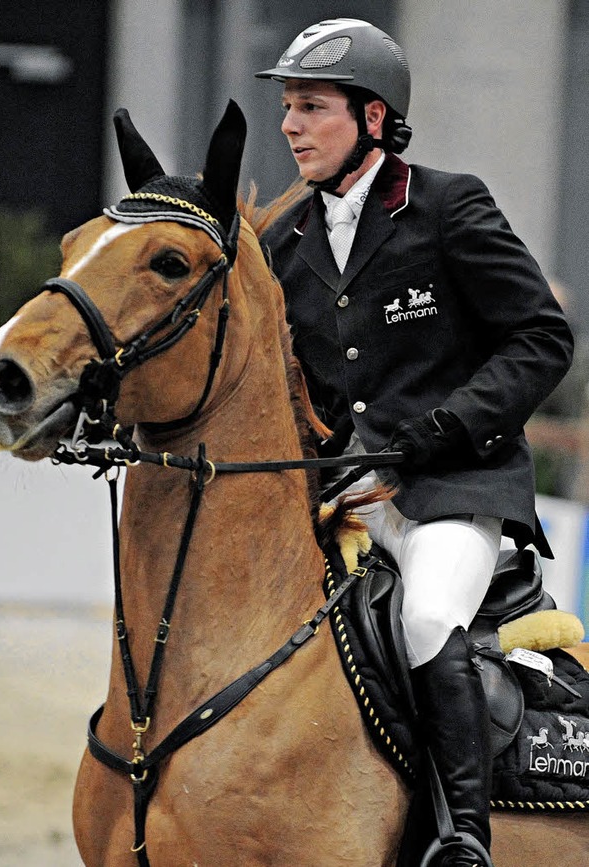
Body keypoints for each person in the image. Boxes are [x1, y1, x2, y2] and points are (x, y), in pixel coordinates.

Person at [256, 17, 574, 867]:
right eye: (287, 106)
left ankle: (463, 833)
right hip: (344, 493)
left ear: (370, 118)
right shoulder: (281, 244)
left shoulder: (446, 206)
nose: (289, 125)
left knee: (429, 616)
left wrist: (445, 427)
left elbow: (541, 338)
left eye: (311, 107)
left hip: (451, 492)